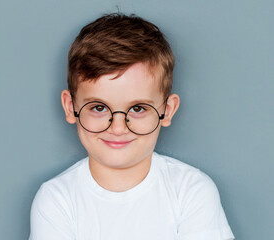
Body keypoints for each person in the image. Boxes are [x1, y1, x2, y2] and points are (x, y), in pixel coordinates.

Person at [29, 13, 234, 240]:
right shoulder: (56, 200)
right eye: (99, 108)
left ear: (167, 110)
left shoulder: (191, 191)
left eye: (137, 109)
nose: (118, 128)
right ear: (70, 107)